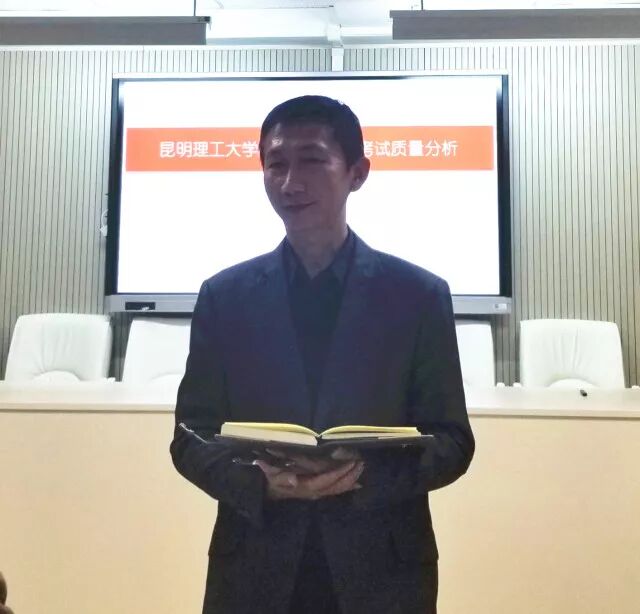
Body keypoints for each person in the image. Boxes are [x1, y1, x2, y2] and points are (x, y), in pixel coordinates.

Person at [170, 94, 474, 614]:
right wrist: (259, 482)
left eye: (312, 160)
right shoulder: (225, 296)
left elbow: (453, 441)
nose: (291, 183)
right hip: (255, 567)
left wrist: (361, 475)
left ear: (358, 172)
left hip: (382, 571)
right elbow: (190, 436)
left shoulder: (418, 295)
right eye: (276, 164)